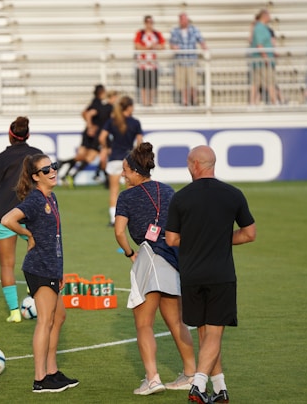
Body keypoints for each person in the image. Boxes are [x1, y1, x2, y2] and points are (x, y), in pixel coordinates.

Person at [165, 145, 256, 403]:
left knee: (205, 332)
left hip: (192, 275)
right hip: (221, 274)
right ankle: (199, 385)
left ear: (194, 165)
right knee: (214, 333)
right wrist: (218, 239)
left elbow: (171, 238)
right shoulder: (233, 194)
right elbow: (249, 234)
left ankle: (219, 389)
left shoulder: (180, 197)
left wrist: (197, 239)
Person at [114, 142, 196, 395]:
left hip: (148, 258)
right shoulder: (168, 190)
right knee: (176, 323)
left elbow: (119, 232)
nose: (123, 175)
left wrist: (129, 253)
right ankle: (191, 374)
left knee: (144, 324)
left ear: (137, 171)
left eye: (126, 170)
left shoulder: (126, 196)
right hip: (172, 258)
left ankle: (152, 379)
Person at [1, 154, 78, 393]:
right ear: (36, 177)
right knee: (45, 321)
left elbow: (55, 238)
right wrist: (27, 235)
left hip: (52, 267)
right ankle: (40, 379)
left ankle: (52, 372)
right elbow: (7, 219)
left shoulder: (51, 197)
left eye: (53, 167)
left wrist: (60, 270)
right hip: (38, 268)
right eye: (46, 170)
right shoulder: (35, 199)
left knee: (59, 317)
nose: (53, 171)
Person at [0, 116, 43, 323]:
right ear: (27, 135)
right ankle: (33, 294)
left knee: (6, 266)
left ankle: (14, 312)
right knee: (34, 259)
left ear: (10, 136)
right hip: (32, 214)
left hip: (3, 215)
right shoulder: (38, 157)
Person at [98, 95, 143, 226]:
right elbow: (139, 141)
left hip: (114, 159)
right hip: (128, 159)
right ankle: (132, 217)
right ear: (129, 107)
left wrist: (107, 147)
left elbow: (102, 137)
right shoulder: (135, 122)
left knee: (114, 190)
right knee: (130, 189)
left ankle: (113, 219)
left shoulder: (112, 121)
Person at [60, 85, 114, 187]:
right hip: (93, 134)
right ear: (101, 92)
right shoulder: (98, 104)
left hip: (93, 134)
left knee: (84, 157)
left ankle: (66, 169)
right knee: (88, 157)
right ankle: (69, 172)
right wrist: (90, 126)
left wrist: (90, 125)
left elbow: (84, 113)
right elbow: (88, 114)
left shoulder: (97, 102)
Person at [169, 13, 207, 106]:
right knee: (182, 83)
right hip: (180, 60)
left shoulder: (194, 30)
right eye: (181, 19)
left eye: (184, 19)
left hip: (191, 60)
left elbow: (201, 40)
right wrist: (173, 47)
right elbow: (171, 43)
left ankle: (194, 100)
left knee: (193, 82)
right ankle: (185, 101)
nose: (182, 21)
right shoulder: (175, 31)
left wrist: (204, 48)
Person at [134, 15, 165, 106]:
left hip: (153, 63)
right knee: (143, 84)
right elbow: (137, 46)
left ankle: (150, 102)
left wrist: (155, 47)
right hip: (142, 63)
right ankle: (145, 102)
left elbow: (162, 45)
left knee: (152, 84)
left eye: (151, 22)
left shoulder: (156, 34)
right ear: (145, 23)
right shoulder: (140, 33)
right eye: (147, 22)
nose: (149, 24)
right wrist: (149, 47)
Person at [249, 9, 277, 105]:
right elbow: (259, 45)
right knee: (269, 83)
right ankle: (274, 102)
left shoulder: (264, 28)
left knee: (257, 83)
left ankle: (253, 102)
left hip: (263, 61)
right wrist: (266, 57)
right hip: (262, 61)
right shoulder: (259, 28)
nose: (270, 17)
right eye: (268, 15)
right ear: (264, 16)